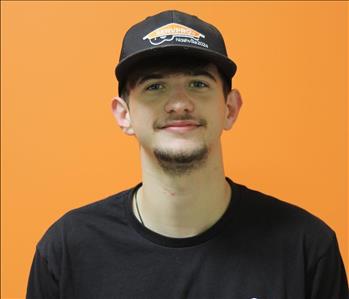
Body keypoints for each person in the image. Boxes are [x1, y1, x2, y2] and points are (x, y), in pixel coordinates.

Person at [26, 10, 348, 299]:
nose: (179, 103)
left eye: (197, 83)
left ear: (230, 108)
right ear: (124, 115)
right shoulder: (66, 253)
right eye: (154, 86)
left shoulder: (307, 250)